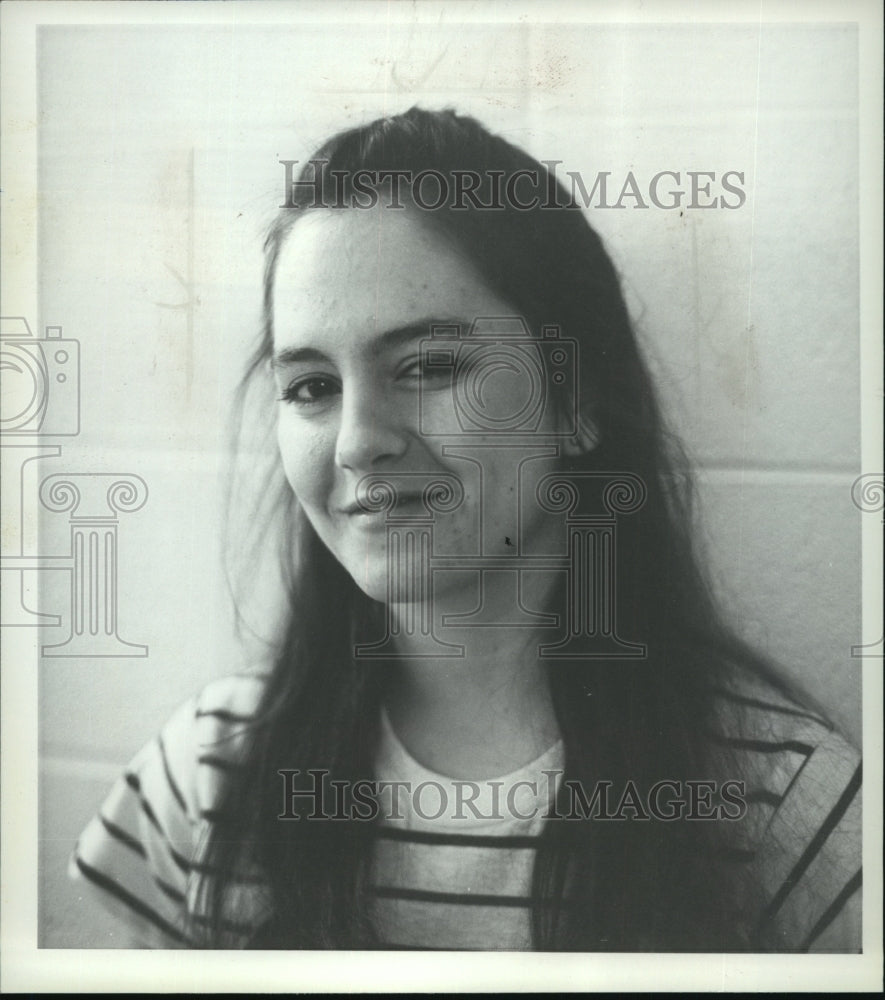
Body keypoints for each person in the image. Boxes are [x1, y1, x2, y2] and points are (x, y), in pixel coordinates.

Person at [69, 107, 861, 952]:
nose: (357, 440)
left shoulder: (785, 808)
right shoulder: (200, 782)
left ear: (576, 400)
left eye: (428, 366)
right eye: (309, 387)